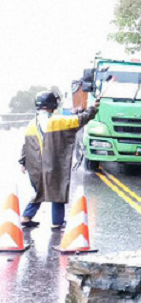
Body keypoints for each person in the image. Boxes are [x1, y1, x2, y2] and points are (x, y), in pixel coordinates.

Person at [18, 90, 99, 229]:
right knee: (57, 190)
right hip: (52, 164)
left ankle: (26, 217)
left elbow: (25, 146)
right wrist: (93, 108)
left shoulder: (31, 123)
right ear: (52, 104)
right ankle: (57, 222)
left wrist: (23, 162)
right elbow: (81, 119)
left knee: (39, 191)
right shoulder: (58, 121)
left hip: (34, 166)